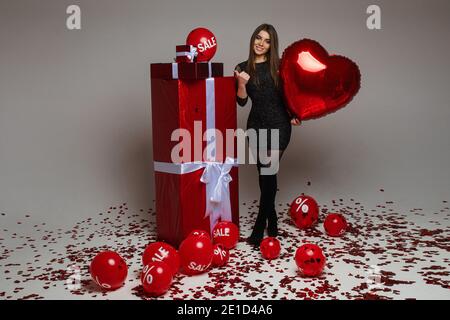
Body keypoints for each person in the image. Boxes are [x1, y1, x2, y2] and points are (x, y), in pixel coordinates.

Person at [234, 23, 301, 248]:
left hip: (280, 125)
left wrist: (295, 114)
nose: (261, 43)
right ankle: (272, 218)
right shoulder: (242, 67)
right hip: (256, 126)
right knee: (264, 177)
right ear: (253, 39)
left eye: (267, 40)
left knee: (269, 173)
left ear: (272, 45)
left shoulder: (281, 67)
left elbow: (290, 95)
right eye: (258, 38)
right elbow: (241, 101)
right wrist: (241, 84)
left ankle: (258, 227)